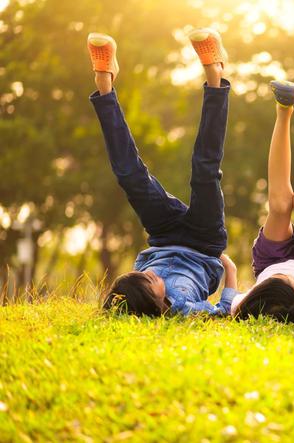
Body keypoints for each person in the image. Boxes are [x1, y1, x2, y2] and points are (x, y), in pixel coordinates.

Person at [90, 28, 238, 316]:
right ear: (154, 302)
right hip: (205, 242)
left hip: (163, 234)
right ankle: (215, 77)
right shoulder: (183, 309)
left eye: (141, 276)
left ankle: (104, 84)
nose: (146, 275)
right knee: (204, 171)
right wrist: (229, 268)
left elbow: (123, 299)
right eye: (147, 280)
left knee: (129, 177)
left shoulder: (128, 299)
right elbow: (224, 310)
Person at [229, 81, 294, 322]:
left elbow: (226, 303)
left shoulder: (245, 306)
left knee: (279, 206)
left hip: (270, 261)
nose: (287, 279)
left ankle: (283, 107)